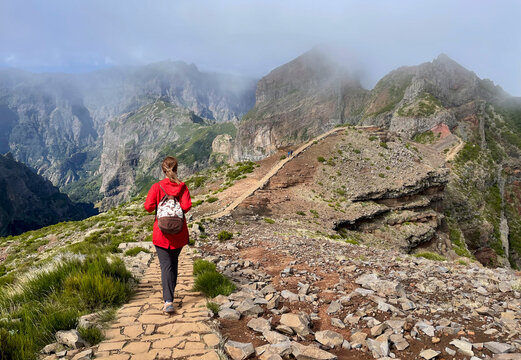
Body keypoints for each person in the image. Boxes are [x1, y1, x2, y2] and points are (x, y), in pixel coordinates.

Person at [144, 156, 192, 314]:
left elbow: (148, 207)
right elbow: (186, 207)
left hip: (161, 234)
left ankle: (168, 301)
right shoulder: (182, 187)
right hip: (178, 233)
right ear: (176, 169)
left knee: (166, 266)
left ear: (163, 170)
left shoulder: (157, 187)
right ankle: (170, 296)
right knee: (173, 264)